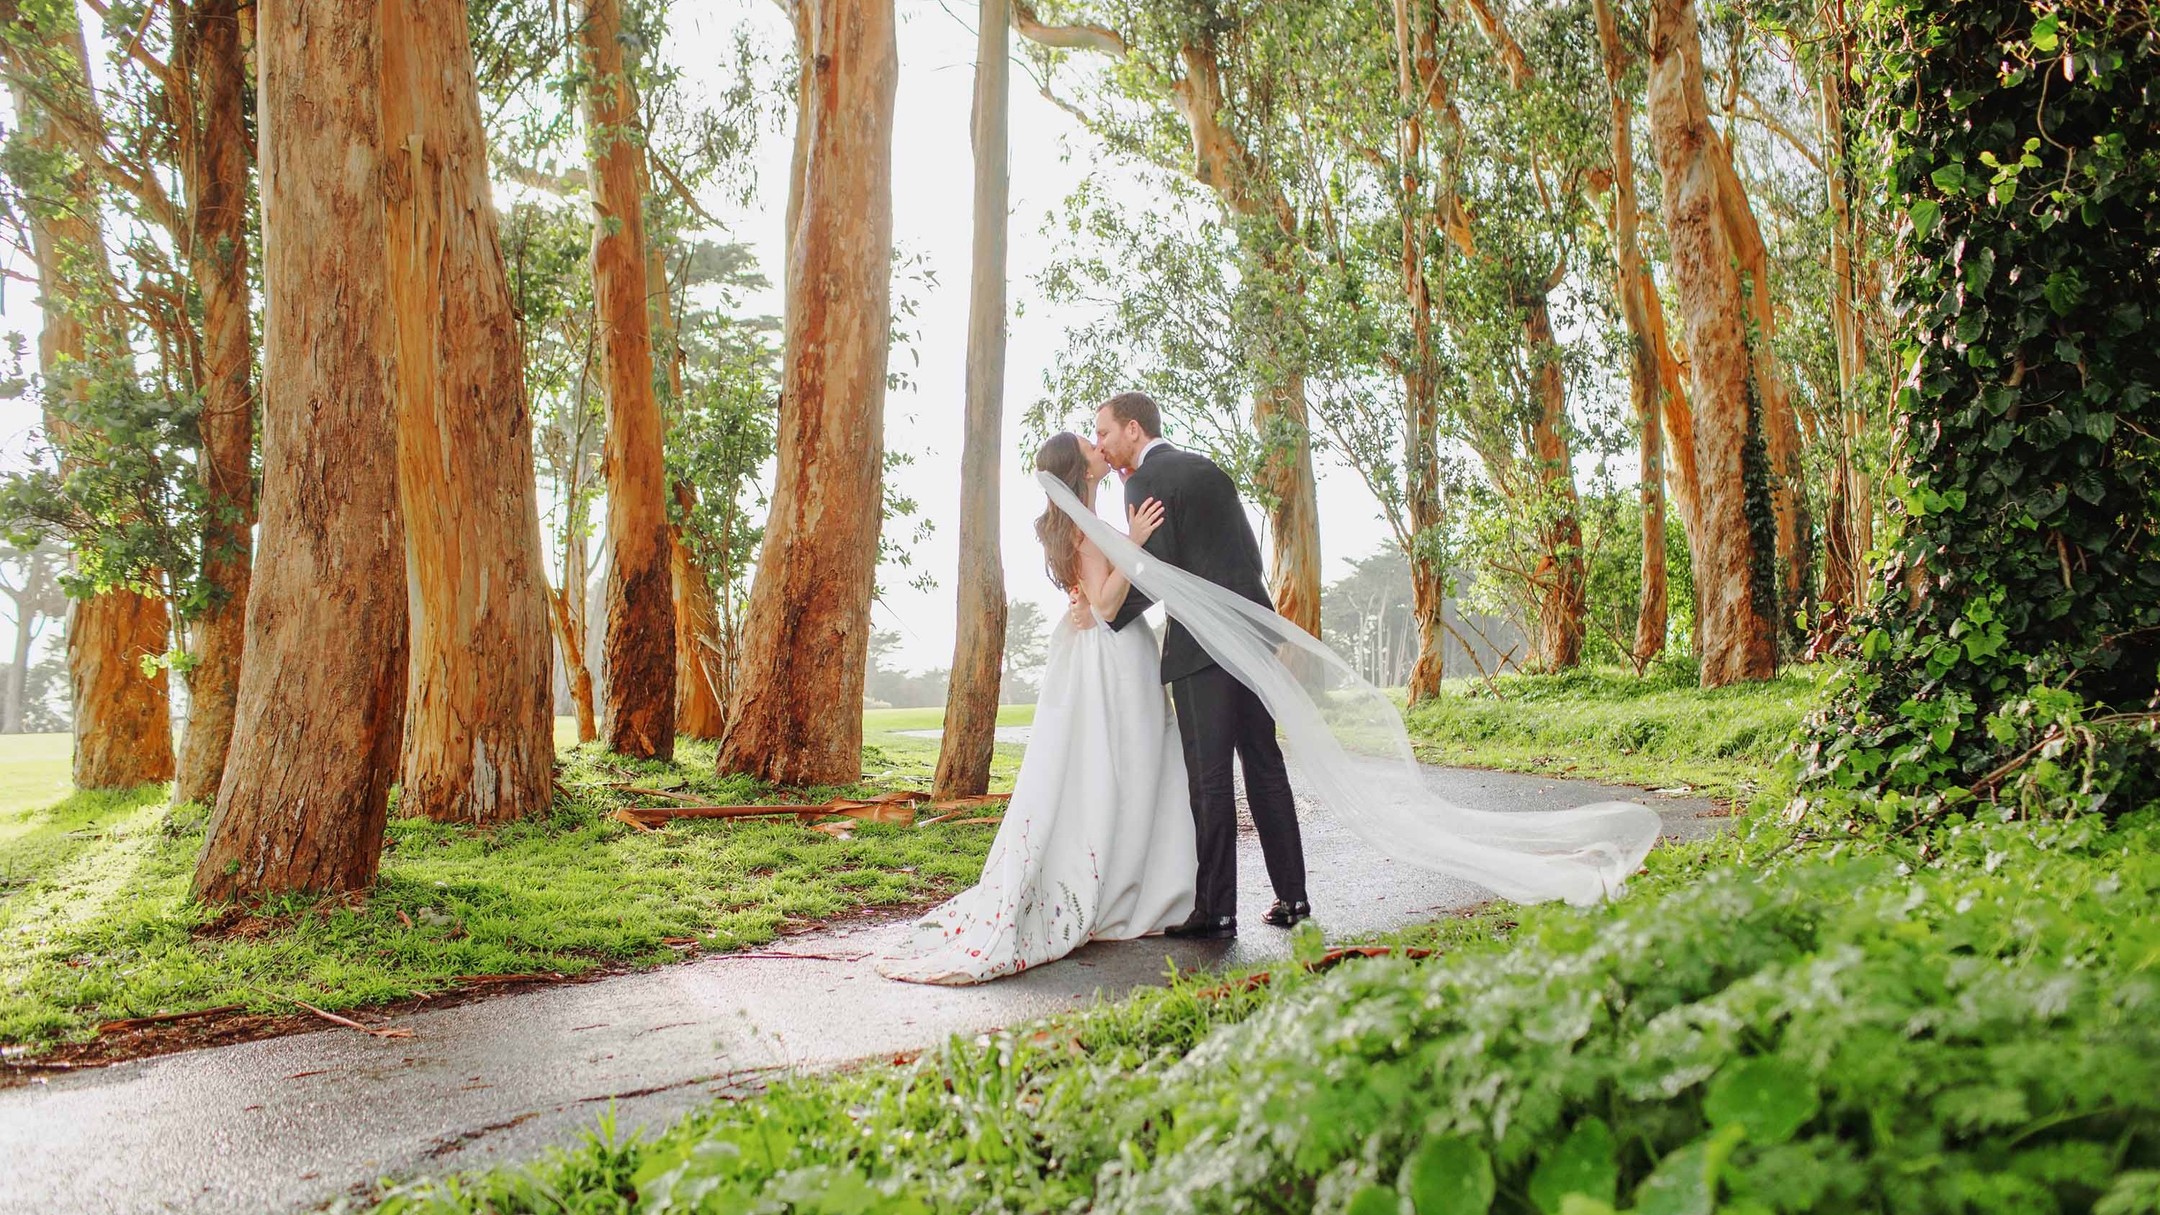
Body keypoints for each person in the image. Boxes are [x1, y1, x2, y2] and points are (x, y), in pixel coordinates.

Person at [876, 431, 1197, 985]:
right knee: (1133, 761)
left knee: (1119, 765)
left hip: (1097, 649)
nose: (1100, 447)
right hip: (1114, 654)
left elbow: (1088, 596)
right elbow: (1104, 602)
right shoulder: (1084, 525)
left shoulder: (1077, 520)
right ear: (1080, 468)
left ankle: (1136, 876)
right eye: (1089, 445)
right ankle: (1130, 884)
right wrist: (1139, 542)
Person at [1093, 392, 1307, 939]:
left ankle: (1216, 909)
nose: (1102, 445)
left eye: (1105, 433)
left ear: (1134, 430)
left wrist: (1110, 614)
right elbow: (1248, 557)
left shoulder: (1143, 484)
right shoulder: (1208, 468)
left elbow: (1159, 569)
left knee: (1209, 779)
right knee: (1264, 765)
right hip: (1251, 633)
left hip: (1201, 647)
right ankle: (1294, 899)